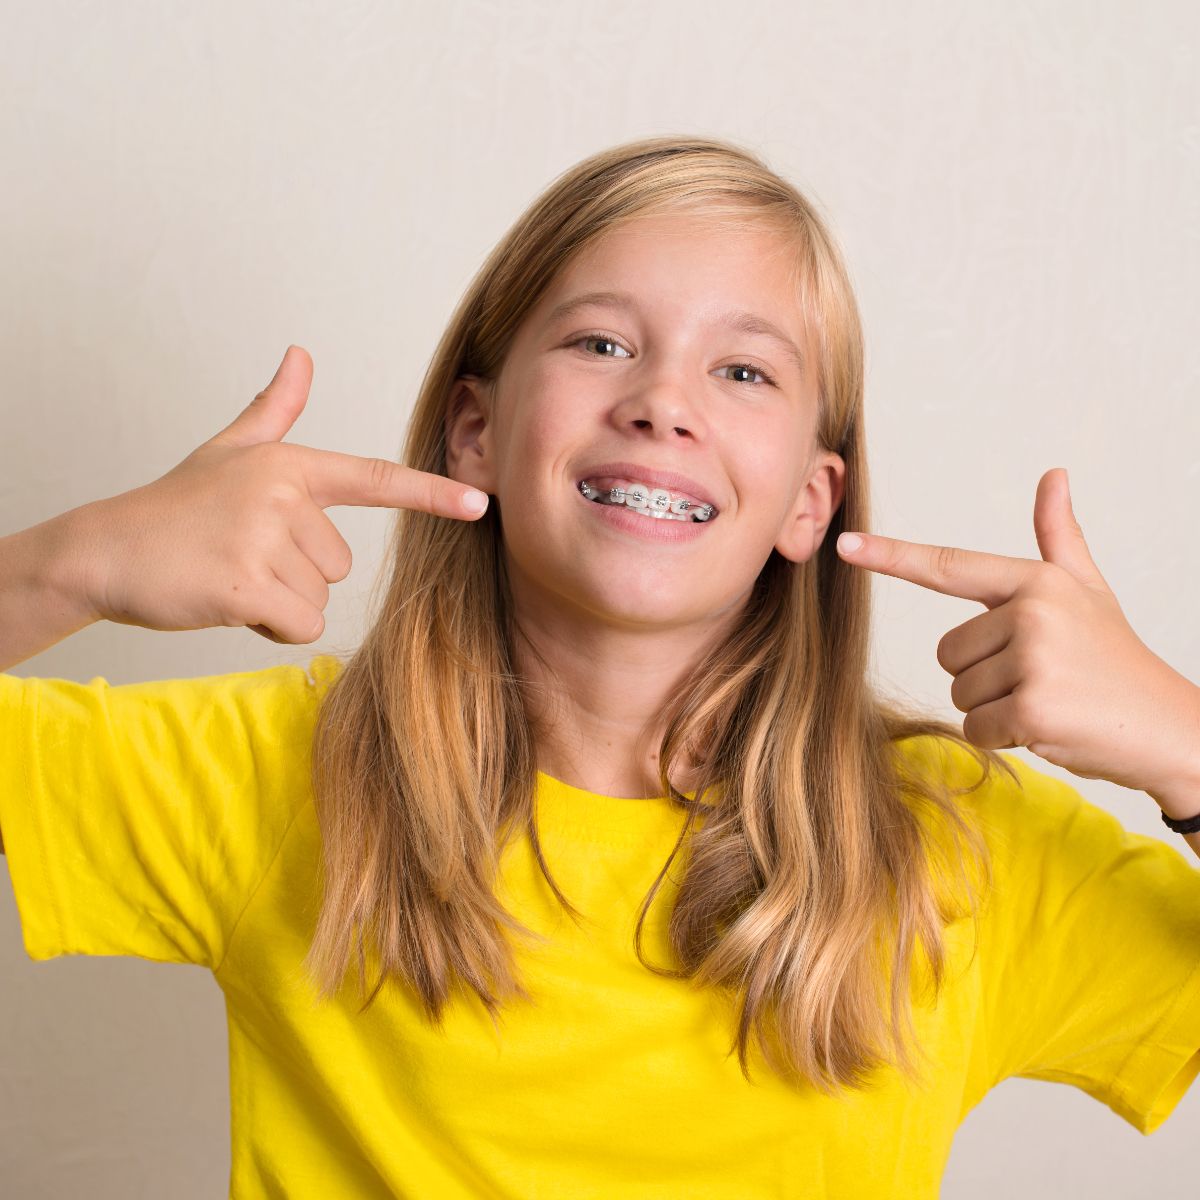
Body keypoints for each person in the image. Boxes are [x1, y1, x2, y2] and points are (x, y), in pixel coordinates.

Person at [2, 134, 1199, 1199]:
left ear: (809, 499)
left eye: (744, 371)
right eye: (601, 341)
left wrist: (1184, 743)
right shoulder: (276, 773)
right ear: (476, 427)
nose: (662, 403)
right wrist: (72, 564)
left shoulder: (953, 846)